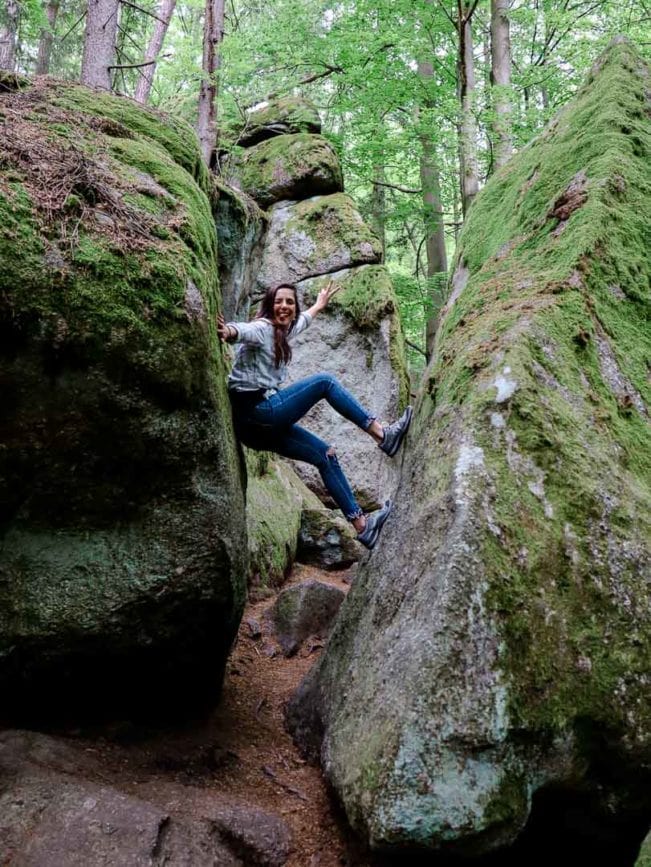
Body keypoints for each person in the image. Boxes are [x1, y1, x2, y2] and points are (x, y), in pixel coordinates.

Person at [217, 282, 412, 550]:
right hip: (256, 412)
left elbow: (304, 321)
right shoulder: (263, 328)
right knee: (324, 383)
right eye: (279, 301)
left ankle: (363, 527)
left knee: (326, 455)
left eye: (290, 302)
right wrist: (228, 330)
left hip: (257, 430)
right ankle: (383, 434)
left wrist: (319, 305)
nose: (284, 306)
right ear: (269, 304)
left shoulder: (284, 330)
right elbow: (243, 331)